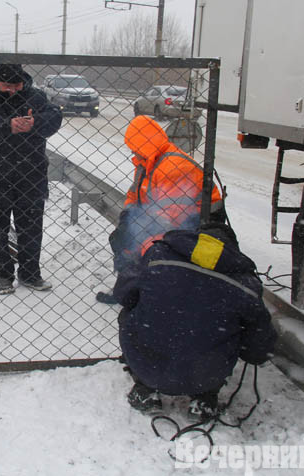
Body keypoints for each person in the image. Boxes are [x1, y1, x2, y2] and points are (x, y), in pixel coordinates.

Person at [113, 222, 277, 419]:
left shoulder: (157, 256)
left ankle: (144, 388)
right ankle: (204, 400)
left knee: (130, 312)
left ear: (196, 238)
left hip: (147, 365)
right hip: (205, 374)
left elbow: (123, 294)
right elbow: (259, 346)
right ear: (231, 249)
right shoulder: (246, 284)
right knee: (236, 329)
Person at [97, 115, 225, 303]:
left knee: (140, 244)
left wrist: (141, 234)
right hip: (162, 217)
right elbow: (135, 193)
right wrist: (127, 214)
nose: (133, 151)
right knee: (121, 238)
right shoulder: (146, 162)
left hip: (199, 222)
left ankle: (139, 290)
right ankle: (129, 287)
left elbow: (172, 216)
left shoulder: (173, 166)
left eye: (135, 147)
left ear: (143, 145)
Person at [0, 63, 63, 295]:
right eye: (6, 86)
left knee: (31, 228)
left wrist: (35, 122)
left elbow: (55, 116)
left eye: (16, 85)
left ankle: (30, 273)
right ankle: (3, 274)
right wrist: (7, 126)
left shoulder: (36, 97)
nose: (12, 91)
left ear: (23, 81)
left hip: (30, 175)